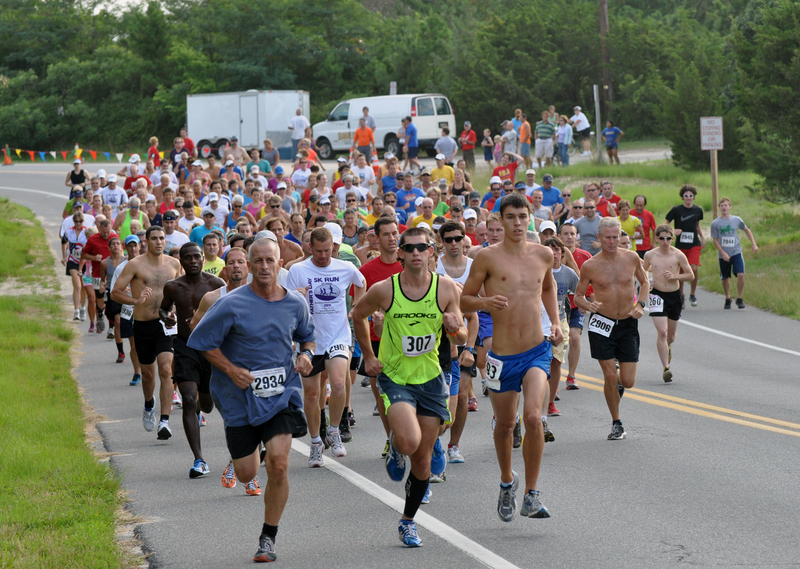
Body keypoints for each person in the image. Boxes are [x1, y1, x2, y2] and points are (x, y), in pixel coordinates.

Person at [188, 237, 315, 563]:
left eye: (269, 260)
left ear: (279, 263)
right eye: (257, 260)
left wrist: (305, 355)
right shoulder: (231, 303)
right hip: (238, 398)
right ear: (248, 263)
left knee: (279, 462)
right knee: (246, 474)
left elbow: (307, 337)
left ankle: (268, 537)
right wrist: (231, 369)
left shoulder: (295, 304)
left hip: (281, 393)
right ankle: (250, 452)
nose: (263, 267)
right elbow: (201, 341)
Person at [353, 227, 467, 547]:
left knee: (423, 461)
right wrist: (369, 355)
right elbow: (357, 314)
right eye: (410, 248)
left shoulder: (445, 289)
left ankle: (407, 522)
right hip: (396, 376)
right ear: (400, 253)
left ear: (432, 252)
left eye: (422, 247)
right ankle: (396, 440)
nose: (416, 253)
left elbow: (461, 333)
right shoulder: (384, 289)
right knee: (409, 441)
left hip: (430, 378)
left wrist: (455, 329)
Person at [461, 193, 562, 521]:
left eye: (523, 216)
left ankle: (532, 494)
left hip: (537, 350)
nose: (518, 223)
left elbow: (548, 288)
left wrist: (557, 322)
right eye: (511, 217)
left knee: (533, 418)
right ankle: (507, 482)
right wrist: (485, 303)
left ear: (530, 217)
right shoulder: (487, 258)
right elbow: (464, 301)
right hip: (502, 356)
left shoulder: (544, 254)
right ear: (500, 221)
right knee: (505, 425)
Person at [286, 227, 365, 465]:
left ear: (334, 247)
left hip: (338, 336)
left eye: (327, 251)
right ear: (310, 247)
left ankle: (333, 431)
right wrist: (297, 296)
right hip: (309, 339)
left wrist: (357, 307)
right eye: (318, 251)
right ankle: (315, 442)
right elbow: (286, 304)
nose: (323, 256)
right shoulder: (298, 270)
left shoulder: (345, 267)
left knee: (339, 382)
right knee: (311, 395)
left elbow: (361, 283)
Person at [573, 217, 650, 440]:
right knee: (608, 375)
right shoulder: (590, 265)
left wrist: (641, 305)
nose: (612, 241)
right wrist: (587, 304)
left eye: (616, 237)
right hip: (601, 323)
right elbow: (578, 296)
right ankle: (616, 422)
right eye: (607, 237)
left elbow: (645, 283)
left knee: (627, 381)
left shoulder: (632, 258)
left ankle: (618, 383)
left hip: (627, 323)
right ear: (599, 238)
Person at [159, 242, 226, 477]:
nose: (193, 261)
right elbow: (163, 309)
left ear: (203, 259)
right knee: (188, 398)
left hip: (209, 349)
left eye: (197, 257)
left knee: (206, 404)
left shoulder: (216, 285)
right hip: (185, 346)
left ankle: (200, 406)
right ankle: (199, 460)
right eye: (188, 258)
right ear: (182, 262)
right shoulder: (173, 287)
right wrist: (167, 318)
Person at [111, 226, 182, 440]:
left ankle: (165, 421)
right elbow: (115, 292)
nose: (159, 242)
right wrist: (135, 300)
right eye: (154, 239)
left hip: (166, 325)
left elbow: (181, 291)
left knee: (166, 369)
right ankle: (149, 404)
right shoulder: (135, 265)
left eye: (162, 238)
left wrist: (176, 312)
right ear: (147, 242)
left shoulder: (174, 264)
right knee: (148, 375)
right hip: (143, 325)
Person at [436, 221, 478, 464]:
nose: (453, 243)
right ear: (442, 241)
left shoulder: (475, 266)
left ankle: (453, 445)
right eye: (448, 239)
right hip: (439, 341)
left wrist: (470, 348)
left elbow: (474, 310)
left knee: (462, 395)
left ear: (464, 239)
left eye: (457, 238)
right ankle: (434, 440)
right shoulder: (435, 267)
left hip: (469, 333)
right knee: (441, 400)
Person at [642, 225, 694, 382]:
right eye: (662, 238)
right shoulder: (650, 255)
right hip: (657, 295)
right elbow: (643, 270)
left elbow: (690, 275)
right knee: (662, 333)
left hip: (674, 296)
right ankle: (666, 368)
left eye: (669, 238)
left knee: (670, 336)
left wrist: (674, 277)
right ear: (657, 238)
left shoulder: (678, 255)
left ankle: (668, 347)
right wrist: (647, 280)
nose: (665, 242)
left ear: (673, 238)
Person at [542, 236, 579, 417]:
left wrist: (590, 305)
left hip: (561, 320)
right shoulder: (537, 272)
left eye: (557, 250)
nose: (553, 253)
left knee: (556, 363)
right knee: (541, 363)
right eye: (549, 249)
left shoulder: (568, 273)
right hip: (539, 322)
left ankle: (550, 403)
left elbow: (579, 293)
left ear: (562, 254)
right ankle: (539, 397)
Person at [710, 197, 758, 309]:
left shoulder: (736, 220)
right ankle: (727, 297)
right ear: (719, 208)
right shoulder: (715, 223)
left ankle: (739, 298)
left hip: (736, 251)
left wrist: (754, 244)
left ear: (730, 207)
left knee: (741, 274)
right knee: (725, 277)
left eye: (726, 205)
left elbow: (746, 230)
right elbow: (715, 240)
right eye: (721, 205)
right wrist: (722, 252)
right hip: (723, 254)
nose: (724, 207)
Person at [665, 185, 705, 307]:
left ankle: (692, 294)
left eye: (691, 195)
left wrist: (702, 237)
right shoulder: (677, 210)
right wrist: (673, 230)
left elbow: (697, 225)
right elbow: (666, 223)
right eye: (686, 196)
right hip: (680, 244)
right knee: (681, 270)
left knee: (693, 268)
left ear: (694, 197)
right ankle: (681, 294)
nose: (688, 198)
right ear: (683, 197)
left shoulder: (698, 210)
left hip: (694, 243)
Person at [632, 195, 657, 259]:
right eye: (637, 205)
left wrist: (653, 243)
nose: (639, 208)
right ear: (634, 204)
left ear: (645, 205)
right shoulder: (629, 214)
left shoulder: (649, 215)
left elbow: (654, 229)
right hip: (632, 246)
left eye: (641, 205)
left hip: (645, 246)